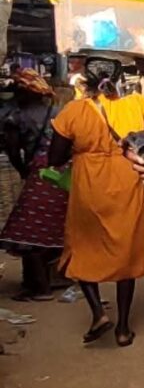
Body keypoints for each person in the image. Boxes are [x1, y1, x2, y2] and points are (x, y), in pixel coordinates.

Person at [47, 64, 144, 346]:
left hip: (89, 186)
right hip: (126, 183)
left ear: (85, 79)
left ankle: (98, 313)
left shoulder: (74, 111)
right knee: (126, 252)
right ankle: (123, 328)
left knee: (82, 247)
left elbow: (55, 158)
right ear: (120, 78)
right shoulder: (134, 105)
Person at [0, 70, 68, 300]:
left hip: (39, 173)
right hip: (64, 173)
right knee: (54, 227)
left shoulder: (16, 117)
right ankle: (52, 278)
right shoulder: (58, 112)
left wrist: (22, 169)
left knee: (28, 231)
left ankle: (40, 287)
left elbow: (12, 149)